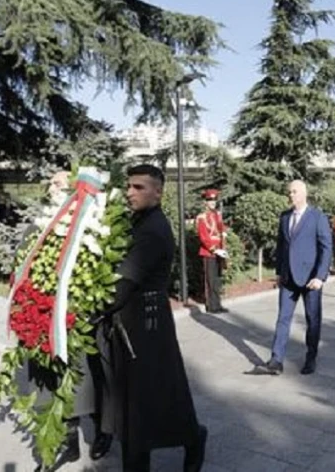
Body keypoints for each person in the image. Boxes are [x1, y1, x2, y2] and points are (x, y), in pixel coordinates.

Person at [97, 164, 207, 472]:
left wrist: (86, 309)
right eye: (129, 186)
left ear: (158, 192)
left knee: (147, 397)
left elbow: (122, 287)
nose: (130, 192)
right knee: (151, 397)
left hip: (146, 325)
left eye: (139, 187)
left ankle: (191, 439)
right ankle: (188, 438)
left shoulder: (153, 230)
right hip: (134, 321)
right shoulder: (139, 221)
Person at [19, 171, 113, 472]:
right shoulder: (41, 227)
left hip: (80, 322)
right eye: (50, 184)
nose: (50, 189)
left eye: (57, 184)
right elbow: (24, 263)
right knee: (51, 384)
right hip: (45, 320)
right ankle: (65, 442)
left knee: (89, 382)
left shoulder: (94, 227)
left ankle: (103, 432)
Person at [253, 180, 332, 376]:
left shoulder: (317, 217)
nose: (291, 195)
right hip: (288, 278)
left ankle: (311, 358)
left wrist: (320, 276)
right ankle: (276, 360)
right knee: (282, 319)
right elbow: (281, 247)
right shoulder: (284, 217)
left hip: (311, 279)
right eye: (289, 192)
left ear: (304, 193)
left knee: (312, 320)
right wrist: (279, 272)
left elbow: (326, 247)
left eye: (294, 192)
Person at [195, 188, 229, 314]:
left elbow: (220, 228)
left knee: (217, 279)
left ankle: (218, 304)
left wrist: (224, 232)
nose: (212, 202)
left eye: (214, 200)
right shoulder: (201, 217)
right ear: (205, 202)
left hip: (219, 250)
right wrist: (215, 250)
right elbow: (204, 237)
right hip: (209, 252)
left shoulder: (217, 214)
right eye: (210, 200)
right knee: (210, 279)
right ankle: (211, 305)